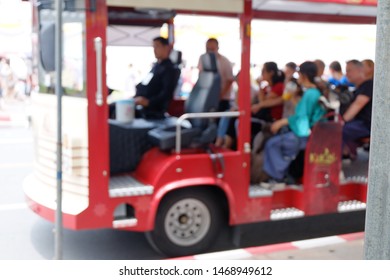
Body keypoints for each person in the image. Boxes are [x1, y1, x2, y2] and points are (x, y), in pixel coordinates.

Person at [260, 61, 326, 186]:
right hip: (308, 133)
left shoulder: (310, 94)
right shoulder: (313, 92)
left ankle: (278, 177)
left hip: (306, 136)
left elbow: (302, 120)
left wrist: (282, 122)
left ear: (303, 75)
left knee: (272, 144)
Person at [342, 59, 373, 160]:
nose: (346, 74)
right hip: (360, 124)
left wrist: (342, 121)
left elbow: (358, 104)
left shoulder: (369, 85)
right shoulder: (360, 87)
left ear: (359, 70)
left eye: (349, 70)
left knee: (339, 130)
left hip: (367, 125)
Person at [198, 38, 234, 113]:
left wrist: (219, 96)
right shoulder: (203, 59)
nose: (210, 51)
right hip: (207, 98)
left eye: (212, 49)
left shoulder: (225, 62)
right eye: (208, 49)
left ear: (217, 48)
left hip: (222, 100)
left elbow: (229, 80)